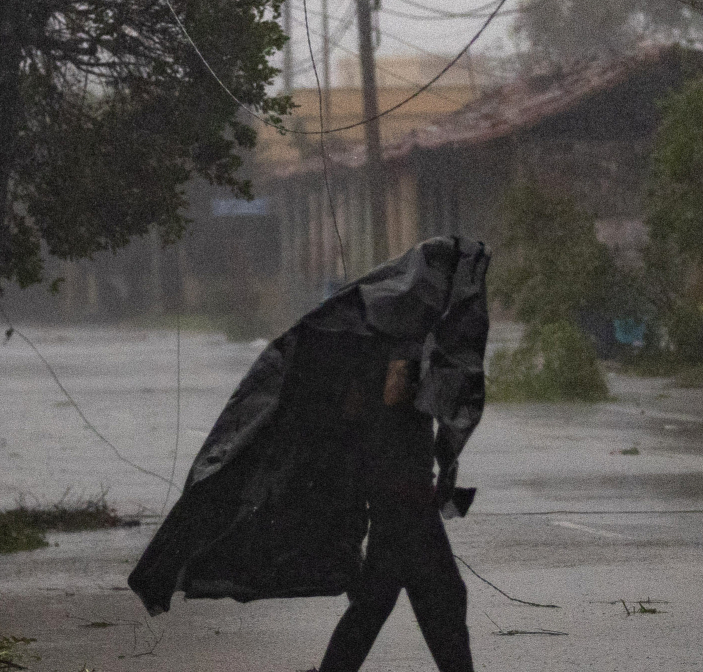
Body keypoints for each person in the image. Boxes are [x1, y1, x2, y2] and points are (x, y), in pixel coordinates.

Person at [128, 237, 490, 672]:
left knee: (381, 600)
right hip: (400, 488)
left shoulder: (384, 330)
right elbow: (394, 400)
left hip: (396, 484)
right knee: (441, 597)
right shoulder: (393, 336)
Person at [318, 357, 473, 672]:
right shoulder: (397, 351)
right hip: (405, 509)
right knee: (441, 599)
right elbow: (393, 391)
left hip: (397, 507)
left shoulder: (388, 345)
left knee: (373, 607)